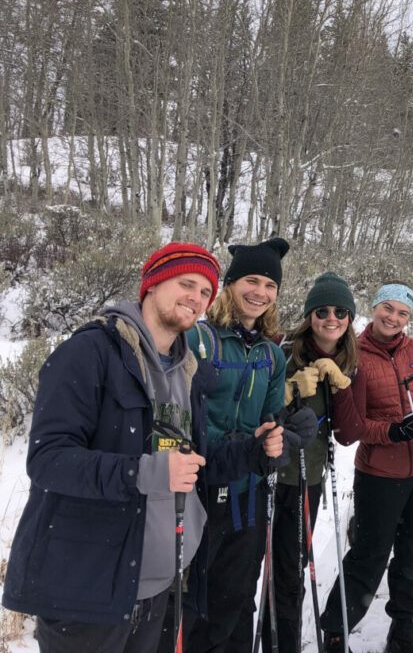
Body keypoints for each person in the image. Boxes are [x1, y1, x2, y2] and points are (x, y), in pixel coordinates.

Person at [1, 243, 284, 653]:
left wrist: (251, 452)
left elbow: (193, 462)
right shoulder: (91, 351)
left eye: (205, 291)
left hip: (160, 589)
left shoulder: (188, 370)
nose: (196, 298)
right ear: (151, 284)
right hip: (89, 590)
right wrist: (146, 472)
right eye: (186, 284)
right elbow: (48, 460)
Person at [179, 237, 316, 653]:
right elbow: (179, 414)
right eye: (251, 281)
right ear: (231, 284)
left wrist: (286, 434)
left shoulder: (272, 356)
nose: (260, 292)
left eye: (270, 285)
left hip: (249, 495)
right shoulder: (198, 340)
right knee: (194, 605)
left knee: (237, 600)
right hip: (198, 494)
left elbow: (270, 421)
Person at [323, 282, 413, 653]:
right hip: (380, 474)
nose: (393, 318)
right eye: (387, 308)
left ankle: (403, 629)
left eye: (402, 313)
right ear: (375, 308)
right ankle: (336, 630)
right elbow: (353, 423)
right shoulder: (354, 356)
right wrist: (393, 430)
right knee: (368, 554)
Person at [266, 272, 367, 653]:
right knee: (261, 572)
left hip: (307, 481)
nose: (331, 318)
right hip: (271, 475)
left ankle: (284, 644)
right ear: (310, 314)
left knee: (291, 573)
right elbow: (257, 407)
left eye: (340, 311)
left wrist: (341, 385)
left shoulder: (349, 361)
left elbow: (348, 433)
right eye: (322, 310)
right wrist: (290, 390)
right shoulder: (281, 349)